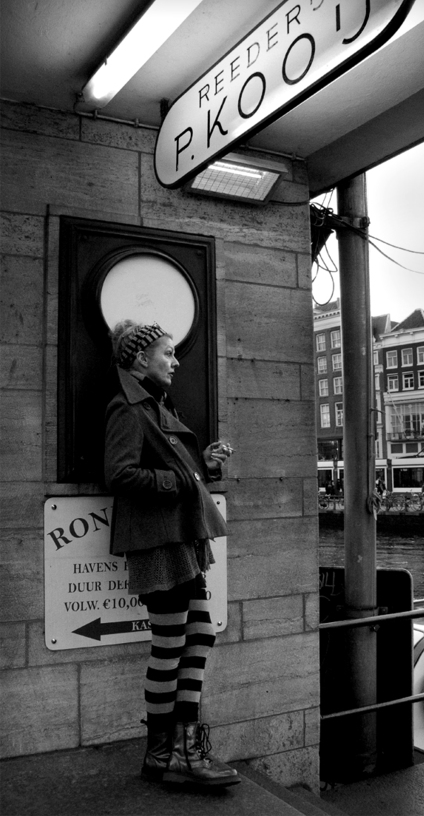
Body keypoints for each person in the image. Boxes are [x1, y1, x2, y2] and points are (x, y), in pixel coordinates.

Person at [104, 320, 240, 788]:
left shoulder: (155, 404)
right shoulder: (127, 406)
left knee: (199, 635)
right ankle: (165, 755)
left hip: (179, 537)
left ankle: (183, 749)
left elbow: (170, 466)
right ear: (141, 359)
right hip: (157, 541)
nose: (176, 361)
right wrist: (176, 480)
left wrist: (202, 466)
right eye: (167, 353)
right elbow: (119, 474)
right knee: (169, 646)